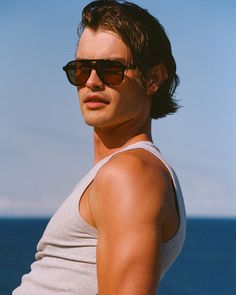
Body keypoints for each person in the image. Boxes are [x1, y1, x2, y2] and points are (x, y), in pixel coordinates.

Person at [13, 1, 186, 294]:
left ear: (153, 79)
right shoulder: (121, 172)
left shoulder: (130, 174)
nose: (91, 82)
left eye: (110, 69)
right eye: (81, 69)